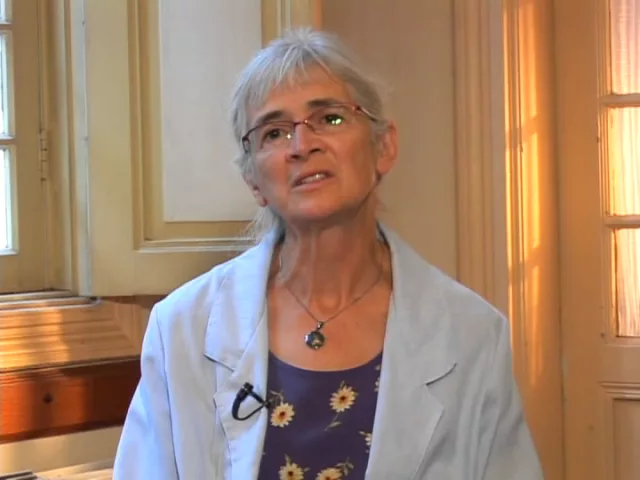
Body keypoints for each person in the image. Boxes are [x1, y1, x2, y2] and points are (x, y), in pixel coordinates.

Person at [113, 28, 543, 479]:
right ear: (254, 181)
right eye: (275, 132)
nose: (303, 146)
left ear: (384, 146)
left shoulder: (471, 335)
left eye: (330, 118)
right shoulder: (182, 328)